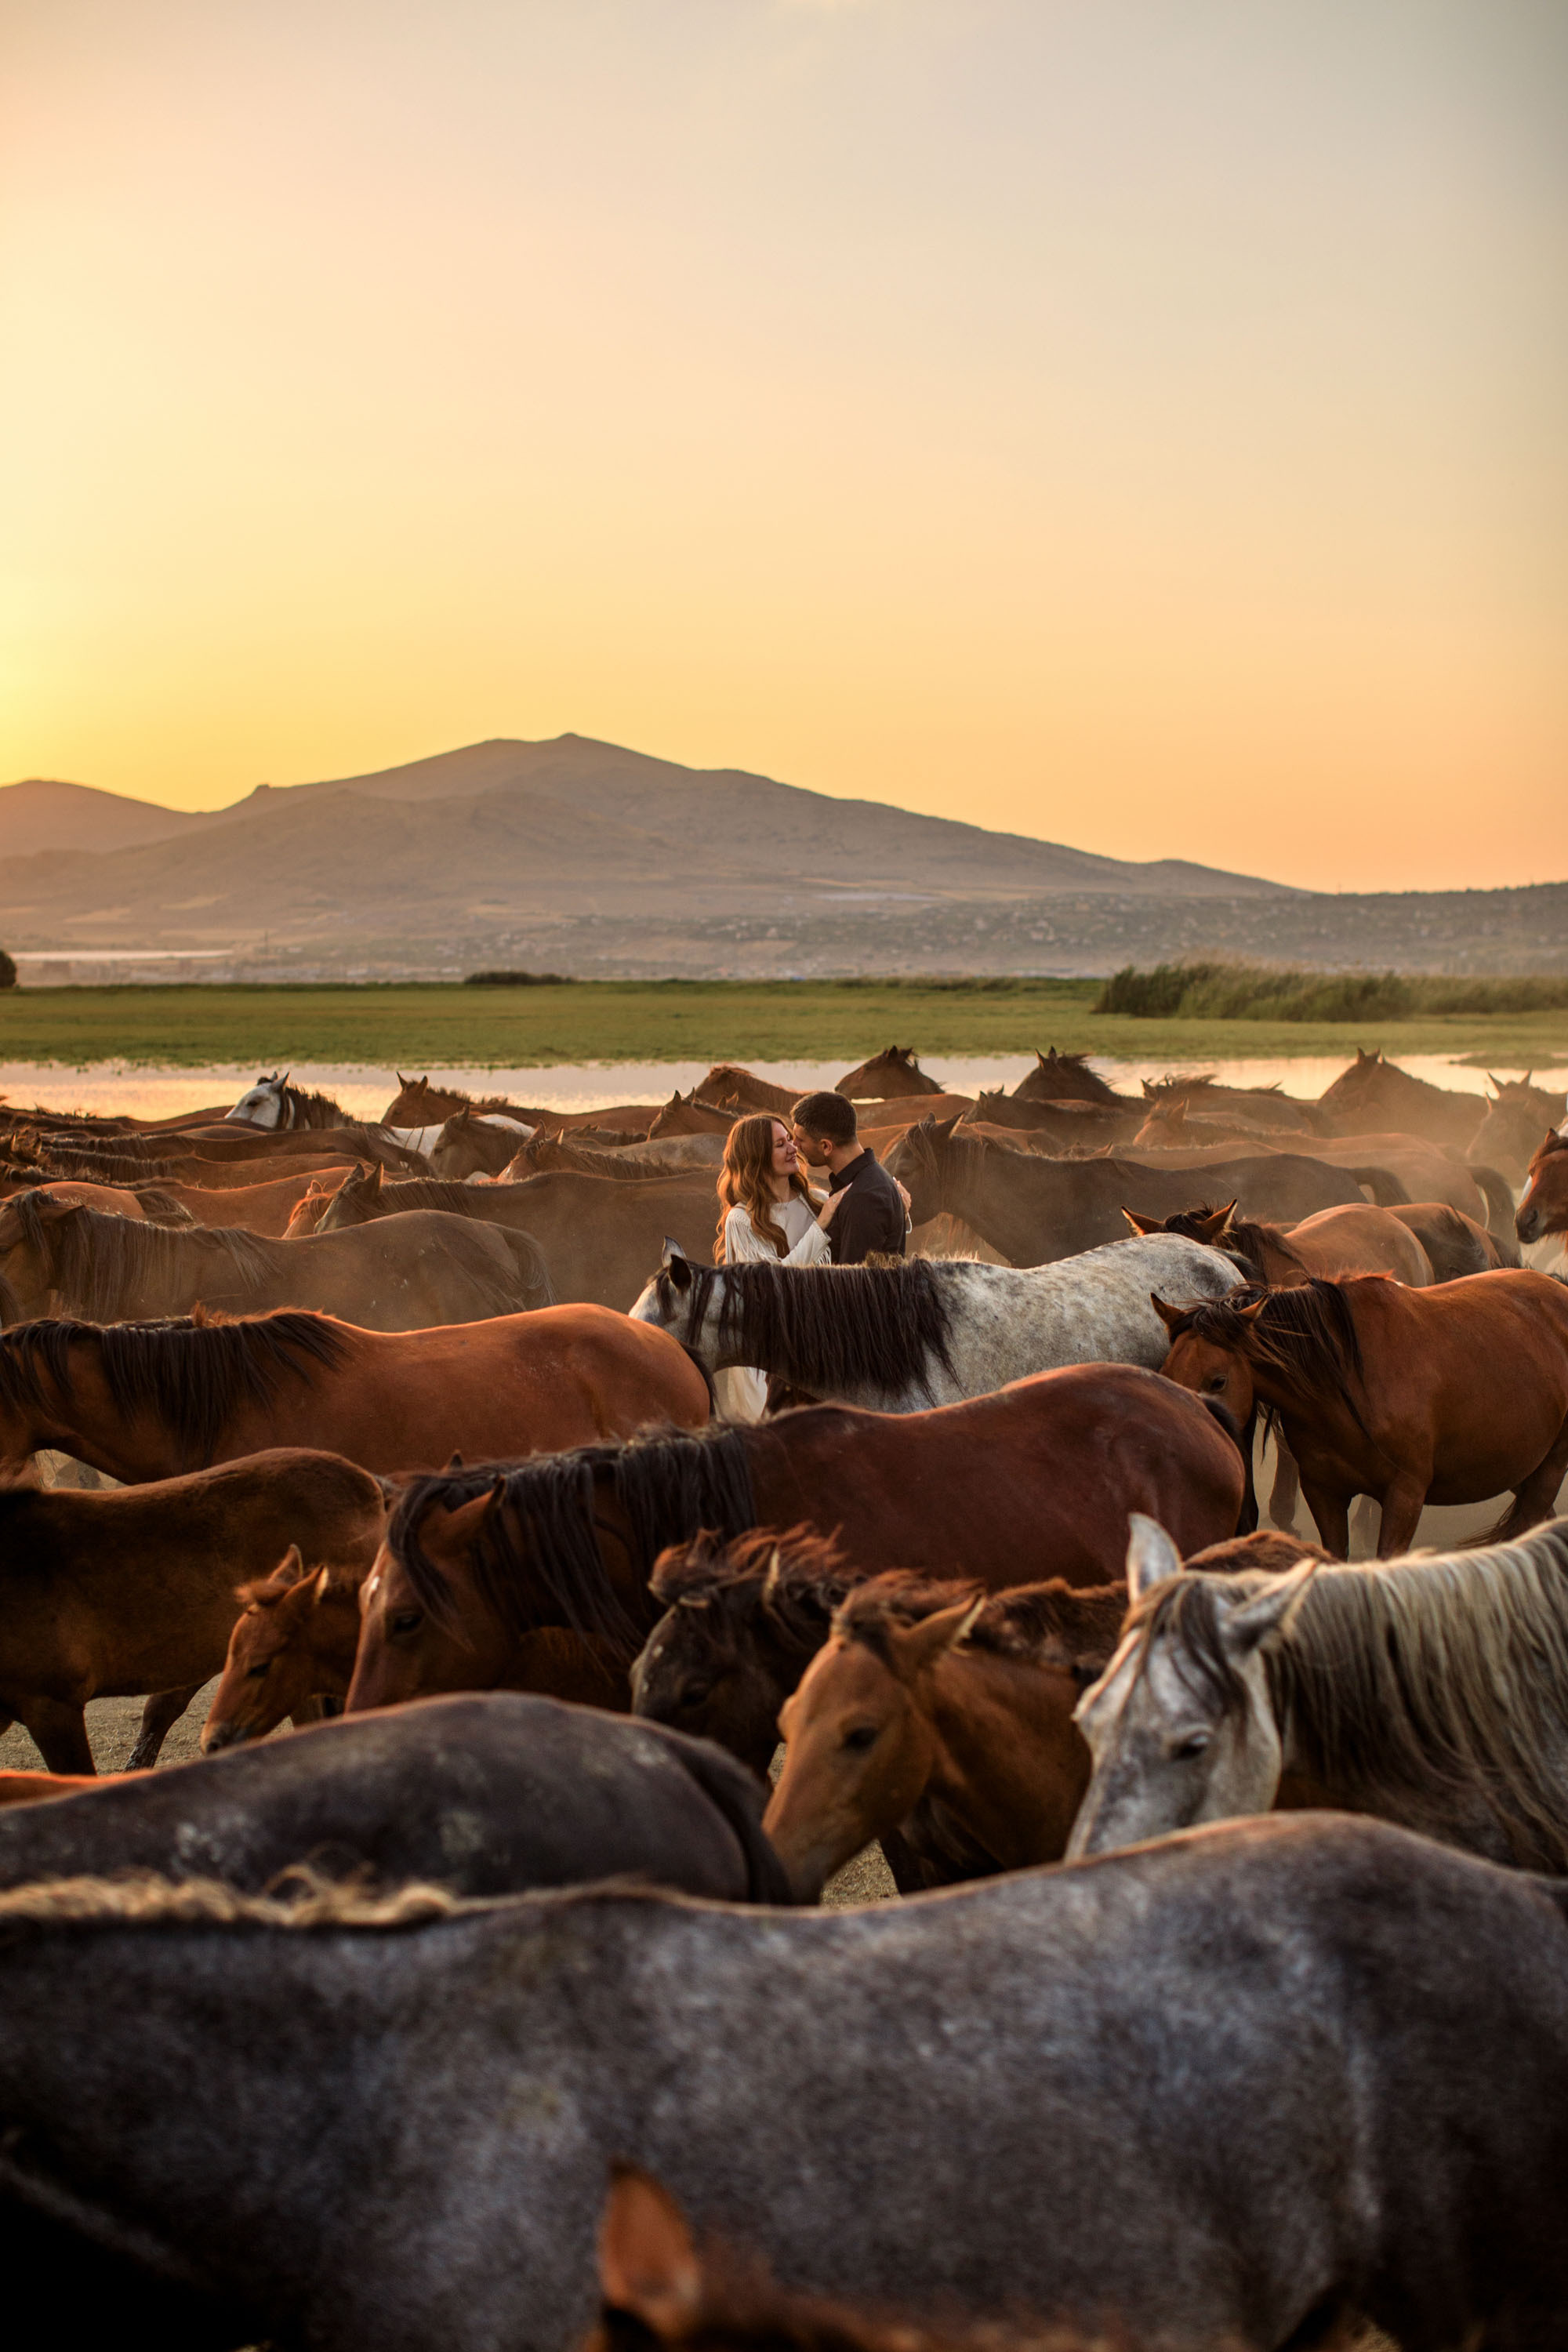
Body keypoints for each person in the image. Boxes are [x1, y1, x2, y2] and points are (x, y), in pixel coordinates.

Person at [712, 1113, 844, 1421]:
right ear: (757, 1157)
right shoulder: (741, 1220)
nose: (792, 1149)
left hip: (819, 1345)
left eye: (790, 1140)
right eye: (780, 1144)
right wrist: (822, 1226)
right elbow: (777, 1283)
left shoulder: (816, 1201)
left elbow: (862, 1245)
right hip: (766, 1357)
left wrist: (899, 1211)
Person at [790, 1091, 909, 1265]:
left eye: (801, 1140)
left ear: (826, 1146)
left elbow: (853, 1284)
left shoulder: (862, 1198)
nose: (794, 1145)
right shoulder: (867, 1180)